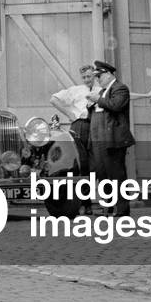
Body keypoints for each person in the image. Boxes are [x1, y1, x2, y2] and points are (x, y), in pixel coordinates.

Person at [88, 60, 134, 217]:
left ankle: (122, 209)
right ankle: (107, 207)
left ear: (108, 74)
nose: (98, 80)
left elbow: (116, 105)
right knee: (102, 175)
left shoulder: (120, 88)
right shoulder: (102, 92)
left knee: (117, 175)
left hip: (113, 139)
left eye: (99, 76)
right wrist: (90, 105)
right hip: (99, 139)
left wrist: (97, 100)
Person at [50, 63, 97, 214]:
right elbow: (54, 99)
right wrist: (70, 115)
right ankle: (84, 204)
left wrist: (146, 96)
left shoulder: (101, 90)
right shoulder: (76, 90)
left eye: (89, 76)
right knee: (81, 165)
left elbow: (123, 94)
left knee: (95, 166)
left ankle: (92, 202)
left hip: (95, 127)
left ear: (94, 75)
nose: (86, 79)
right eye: (84, 77)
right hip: (79, 128)